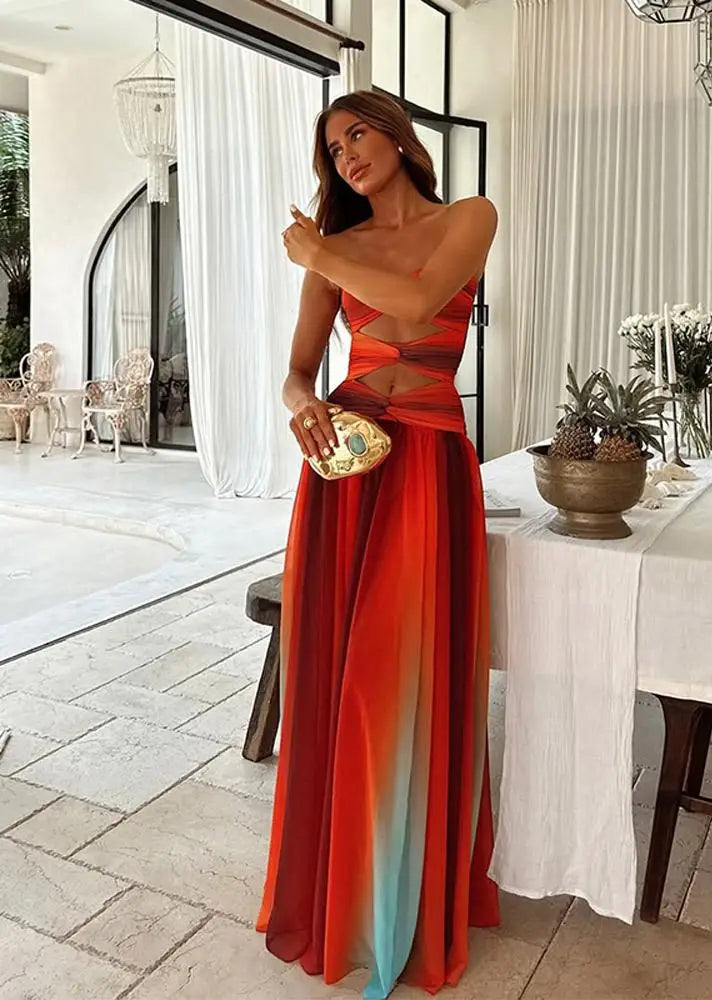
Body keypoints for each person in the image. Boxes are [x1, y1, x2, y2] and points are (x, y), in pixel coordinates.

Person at [257, 90, 500, 1000]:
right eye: (332, 147)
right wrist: (302, 409)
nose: (347, 154)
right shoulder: (336, 249)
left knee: (403, 678)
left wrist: (316, 251)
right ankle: (344, 890)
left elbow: (421, 299)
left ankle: (406, 896)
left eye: (357, 133)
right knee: (338, 675)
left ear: (397, 137)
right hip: (346, 467)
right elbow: (296, 372)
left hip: (429, 464)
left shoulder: (468, 217)